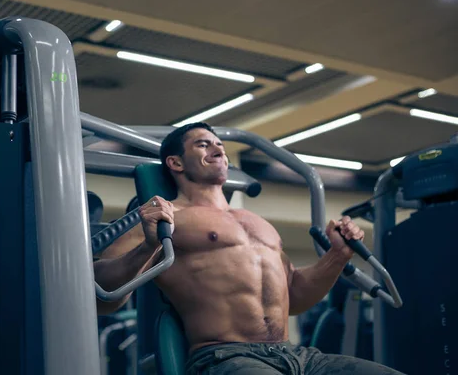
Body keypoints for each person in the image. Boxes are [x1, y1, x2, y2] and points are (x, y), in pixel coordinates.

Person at [94, 122, 404, 375]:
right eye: (203, 144)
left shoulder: (257, 223)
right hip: (226, 358)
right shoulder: (166, 219)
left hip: (297, 356)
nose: (218, 149)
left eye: (220, 145)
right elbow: (103, 295)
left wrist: (338, 256)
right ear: (175, 162)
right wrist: (148, 245)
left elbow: (294, 296)